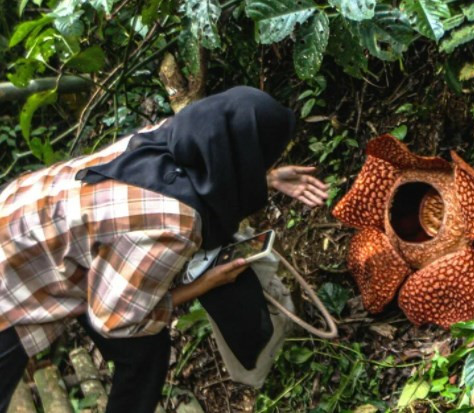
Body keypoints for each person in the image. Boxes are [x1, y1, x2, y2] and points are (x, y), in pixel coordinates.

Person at [0, 86, 329, 413]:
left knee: (145, 353)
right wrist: (205, 284)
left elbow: (211, 168)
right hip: (15, 277)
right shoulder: (173, 224)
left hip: (23, 216)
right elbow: (115, 322)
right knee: (140, 347)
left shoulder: (167, 133)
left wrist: (265, 178)